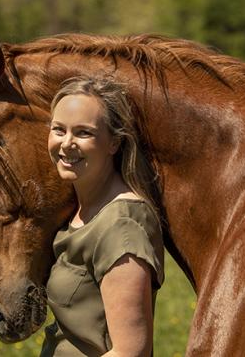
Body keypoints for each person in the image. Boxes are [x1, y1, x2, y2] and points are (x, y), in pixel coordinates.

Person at [41, 75, 165, 357]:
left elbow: (131, 352)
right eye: (59, 130)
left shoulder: (120, 225)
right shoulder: (80, 207)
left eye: (83, 133)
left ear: (114, 143)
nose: (66, 143)